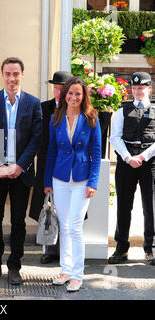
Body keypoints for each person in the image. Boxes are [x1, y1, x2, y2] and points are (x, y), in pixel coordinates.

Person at [0, 57, 42, 285]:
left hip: (21, 173)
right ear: (2, 75)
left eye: (16, 74)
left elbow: (36, 138)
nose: (12, 78)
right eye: (7, 74)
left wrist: (19, 165)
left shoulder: (33, 104)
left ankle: (15, 266)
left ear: (22, 75)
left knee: (18, 221)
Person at [44, 76, 101, 292]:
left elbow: (96, 153)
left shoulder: (91, 118)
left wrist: (93, 182)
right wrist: (48, 181)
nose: (74, 97)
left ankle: (77, 274)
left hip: (82, 179)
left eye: (78, 93)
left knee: (75, 227)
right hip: (59, 179)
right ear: (64, 94)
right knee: (65, 226)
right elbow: (51, 151)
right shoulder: (55, 117)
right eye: (70, 93)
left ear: (83, 95)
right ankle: (66, 269)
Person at [109, 72, 155, 266]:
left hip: (149, 161)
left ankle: (150, 248)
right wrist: (128, 157)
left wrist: (143, 157)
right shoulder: (122, 111)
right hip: (127, 161)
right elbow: (115, 137)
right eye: (135, 88)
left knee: (150, 206)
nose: (138, 92)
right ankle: (121, 248)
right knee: (124, 206)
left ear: (149, 89)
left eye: (141, 88)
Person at [29, 71, 73, 264]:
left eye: (61, 88)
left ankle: (66, 250)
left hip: (68, 164)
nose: (57, 91)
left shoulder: (75, 108)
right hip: (47, 161)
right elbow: (36, 134)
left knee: (67, 208)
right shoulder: (43, 108)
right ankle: (49, 249)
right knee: (48, 205)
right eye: (55, 87)